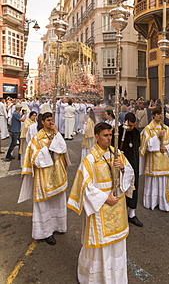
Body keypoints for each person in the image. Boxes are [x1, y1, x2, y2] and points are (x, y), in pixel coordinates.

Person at [67, 122, 134, 284]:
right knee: (101, 247)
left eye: (111, 135)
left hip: (117, 208)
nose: (109, 138)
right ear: (96, 136)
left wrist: (123, 168)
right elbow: (85, 186)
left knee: (116, 245)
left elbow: (130, 174)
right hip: (100, 209)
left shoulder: (117, 154)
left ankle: (116, 279)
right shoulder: (89, 160)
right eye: (105, 135)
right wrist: (105, 198)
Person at [18, 112, 71, 245]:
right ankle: (45, 232)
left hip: (58, 175)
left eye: (52, 120)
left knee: (58, 202)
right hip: (44, 178)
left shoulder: (55, 134)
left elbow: (63, 149)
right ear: (42, 122)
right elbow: (34, 159)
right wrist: (47, 148)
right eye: (48, 120)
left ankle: (59, 226)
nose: (50, 122)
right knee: (44, 206)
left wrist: (56, 132)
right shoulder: (36, 139)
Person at [139, 106, 169, 212]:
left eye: (161, 114)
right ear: (153, 115)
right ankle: (151, 202)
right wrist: (156, 137)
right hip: (153, 161)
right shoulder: (148, 129)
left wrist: (167, 147)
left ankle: (165, 204)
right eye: (158, 114)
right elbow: (145, 145)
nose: (160, 116)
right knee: (153, 182)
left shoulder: (166, 128)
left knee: (164, 184)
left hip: (165, 160)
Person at [114, 112, 143, 227]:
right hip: (121, 164)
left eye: (133, 126)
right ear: (125, 122)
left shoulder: (136, 132)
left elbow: (138, 146)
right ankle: (118, 214)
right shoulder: (118, 132)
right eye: (130, 125)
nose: (131, 128)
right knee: (120, 188)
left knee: (133, 188)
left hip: (134, 164)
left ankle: (132, 214)